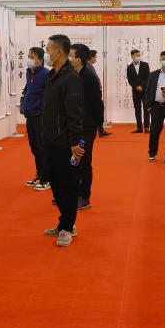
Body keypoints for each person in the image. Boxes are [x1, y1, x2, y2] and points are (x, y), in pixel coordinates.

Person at [41, 34, 84, 247]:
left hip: (66, 142)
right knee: (56, 184)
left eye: (49, 49)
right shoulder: (53, 75)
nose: (47, 53)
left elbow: (75, 114)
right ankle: (64, 222)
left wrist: (75, 142)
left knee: (67, 185)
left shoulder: (71, 78)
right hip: (50, 139)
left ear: (59, 51)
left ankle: (68, 227)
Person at [72, 43, 101, 210]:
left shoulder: (89, 77)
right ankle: (74, 193)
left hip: (86, 127)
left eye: (70, 56)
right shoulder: (71, 75)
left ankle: (84, 196)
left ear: (78, 59)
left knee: (83, 161)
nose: (67, 58)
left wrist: (97, 125)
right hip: (74, 126)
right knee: (73, 161)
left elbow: (97, 103)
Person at [20, 46, 50, 191]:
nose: (29, 59)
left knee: (42, 147)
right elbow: (29, 91)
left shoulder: (46, 74)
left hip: (40, 116)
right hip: (30, 115)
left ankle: (46, 178)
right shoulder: (29, 72)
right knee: (35, 148)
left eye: (32, 56)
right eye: (29, 56)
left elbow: (48, 96)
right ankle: (39, 174)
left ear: (40, 59)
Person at [87, 49, 112, 137]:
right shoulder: (87, 66)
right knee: (98, 110)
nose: (96, 58)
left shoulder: (90, 66)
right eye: (95, 57)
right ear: (91, 57)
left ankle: (100, 129)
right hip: (94, 93)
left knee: (99, 110)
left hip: (96, 91)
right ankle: (99, 130)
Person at [125, 49, 150, 133]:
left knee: (146, 109)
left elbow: (148, 77)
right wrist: (136, 86)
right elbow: (130, 80)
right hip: (135, 91)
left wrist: (142, 86)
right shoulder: (129, 68)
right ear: (132, 56)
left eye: (139, 55)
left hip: (145, 90)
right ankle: (139, 128)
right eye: (136, 55)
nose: (138, 57)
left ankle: (147, 127)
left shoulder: (145, 65)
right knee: (137, 109)